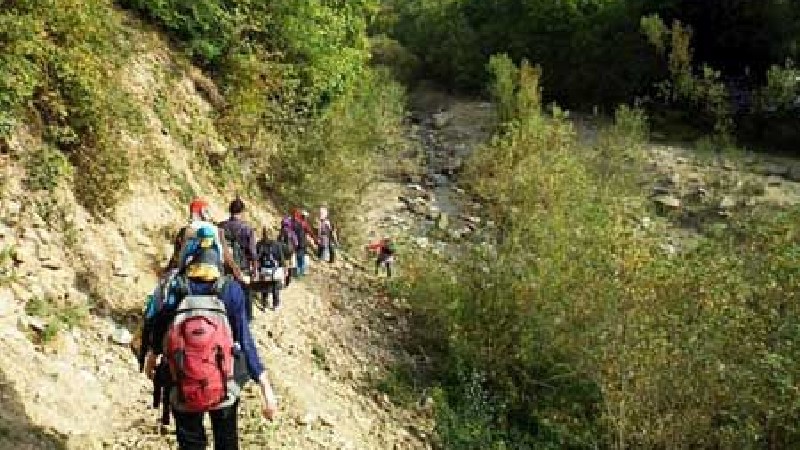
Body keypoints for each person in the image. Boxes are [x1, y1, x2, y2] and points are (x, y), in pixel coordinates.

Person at [143, 230, 278, 450]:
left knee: (191, 443)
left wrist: (152, 356)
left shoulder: (175, 286)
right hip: (223, 383)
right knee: (226, 442)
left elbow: (159, 328)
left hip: (182, 382)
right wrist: (265, 386)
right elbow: (245, 339)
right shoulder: (231, 289)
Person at [165, 199, 243, 282]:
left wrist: (167, 271)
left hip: (190, 274)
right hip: (215, 275)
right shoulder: (218, 231)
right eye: (207, 211)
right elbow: (227, 257)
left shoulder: (186, 230)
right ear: (203, 212)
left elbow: (177, 256)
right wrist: (237, 271)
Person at [219, 198, 258, 320]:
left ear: (230, 211)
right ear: (242, 212)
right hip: (242, 267)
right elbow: (252, 252)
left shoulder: (220, 226)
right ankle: (247, 319)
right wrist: (255, 270)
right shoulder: (247, 229)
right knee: (245, 293)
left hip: (224, 266)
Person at [256, 227, 288, 311]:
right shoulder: (277, 244)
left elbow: (257, 258)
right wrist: (284, 268)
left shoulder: (259, 244)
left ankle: (264, 305)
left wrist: (257, 269)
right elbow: (281, 258)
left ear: (263, 234)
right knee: (275, 286)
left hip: (264, 269)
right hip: (275, 269)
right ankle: (275, 304)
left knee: (264, 286)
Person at [292, 209, 317, 277]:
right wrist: (315, 240)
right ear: (304, 216)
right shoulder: (304, 224)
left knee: (298, 256)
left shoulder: (295, 222)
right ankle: (300, 272)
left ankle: (298, 271)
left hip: (295, 242)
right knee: (301, 257)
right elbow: (310, 232)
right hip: (302, 242)